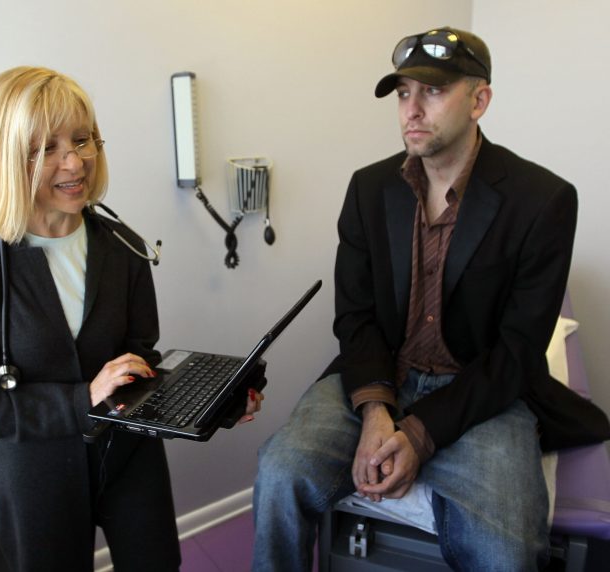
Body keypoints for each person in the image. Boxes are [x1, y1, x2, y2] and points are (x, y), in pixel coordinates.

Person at [252, 27, 610, 572]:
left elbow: (516, 352)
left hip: (482, 392)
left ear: (479, 99)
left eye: (433, 91)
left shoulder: (542, 201)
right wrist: (376, 410)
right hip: (383, 375)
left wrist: (418, 436)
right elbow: (356, 315)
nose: (411, 110)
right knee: (279, 472)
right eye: (402, 93)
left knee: (508, 552)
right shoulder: (369, 189)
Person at [0, 66, 261, 572]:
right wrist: (81, 398)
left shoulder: (123, 246)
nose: (75, 161)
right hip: (36, 471)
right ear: (1, 159)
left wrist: (212, 404)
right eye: (46, 148)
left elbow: (140, 361)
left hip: (129, 455)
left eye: (82, 140)